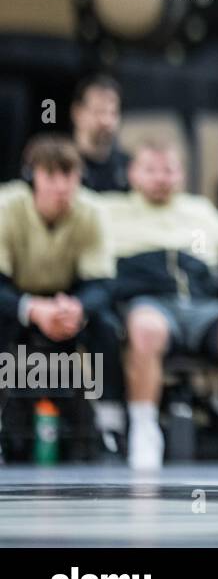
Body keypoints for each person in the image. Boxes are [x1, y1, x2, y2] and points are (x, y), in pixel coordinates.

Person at [100, 138, 218, 470]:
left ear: (181, 175)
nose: (161, 178)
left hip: (204, 307)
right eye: (151, 170)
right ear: (132, 173)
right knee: (145, 330)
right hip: (149, 304)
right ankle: (144, 434)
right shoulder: (107, 211)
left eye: (169, 170)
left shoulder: (200, 211)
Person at [0, 136, 123, 454]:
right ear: (32, 177)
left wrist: (77, 307)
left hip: (68, 301)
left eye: (69, 176)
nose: (62, 186)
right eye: (51, 175)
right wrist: (31, 308)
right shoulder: (6, 206)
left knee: (107, 328)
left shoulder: (92, 209)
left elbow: (103, 284)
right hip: (16, 299)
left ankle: (111, 428)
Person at [70, 74, 131, 193]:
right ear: (77, 113)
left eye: (113, 113)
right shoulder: (62, 165)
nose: (106, 121)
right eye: (98, 112)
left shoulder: (129, 168)